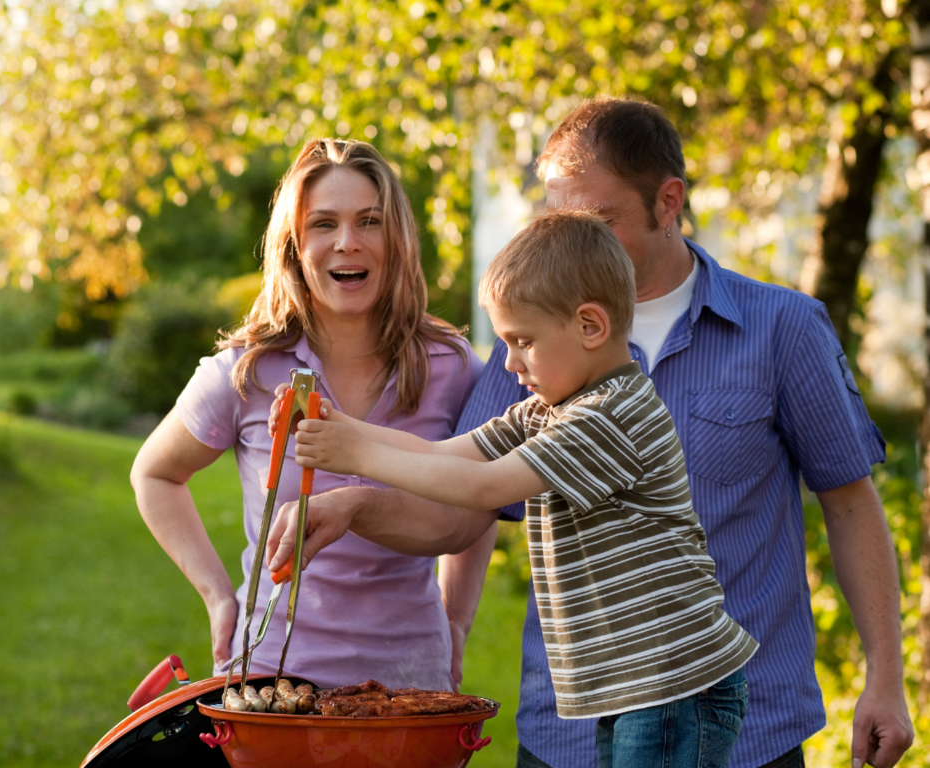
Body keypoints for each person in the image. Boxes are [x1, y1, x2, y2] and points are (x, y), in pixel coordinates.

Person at [267, 97, 914, 768]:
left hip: (715, 715)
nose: (573, 240)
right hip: (573, 726)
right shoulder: (536, 361)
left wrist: (886, 680)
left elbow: (848, 502)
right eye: (557, 218)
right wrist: (349, 474)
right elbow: (456, 492)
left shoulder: (773, 333)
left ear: (668, 202)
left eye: (596, 220)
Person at [293, 210, 757, 766]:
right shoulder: (548, 410)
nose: (509, 362)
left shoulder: (610, 416)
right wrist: (340, 426)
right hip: (636, 685)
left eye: (523, 341)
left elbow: (484, 485)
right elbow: (446, 455)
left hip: (674, 681)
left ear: (590, 326)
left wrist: (358, 455)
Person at [129, 138, 481, 690]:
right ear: (294, 244)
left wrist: (457, 616)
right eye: (323, 224)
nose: (348, 243)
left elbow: (478, 498)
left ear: (399, 238)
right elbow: (154, 473)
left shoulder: (453, 367)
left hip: (411, 682)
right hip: (270, 677)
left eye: (370, 221)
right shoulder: (246, 370)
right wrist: (219, 595)